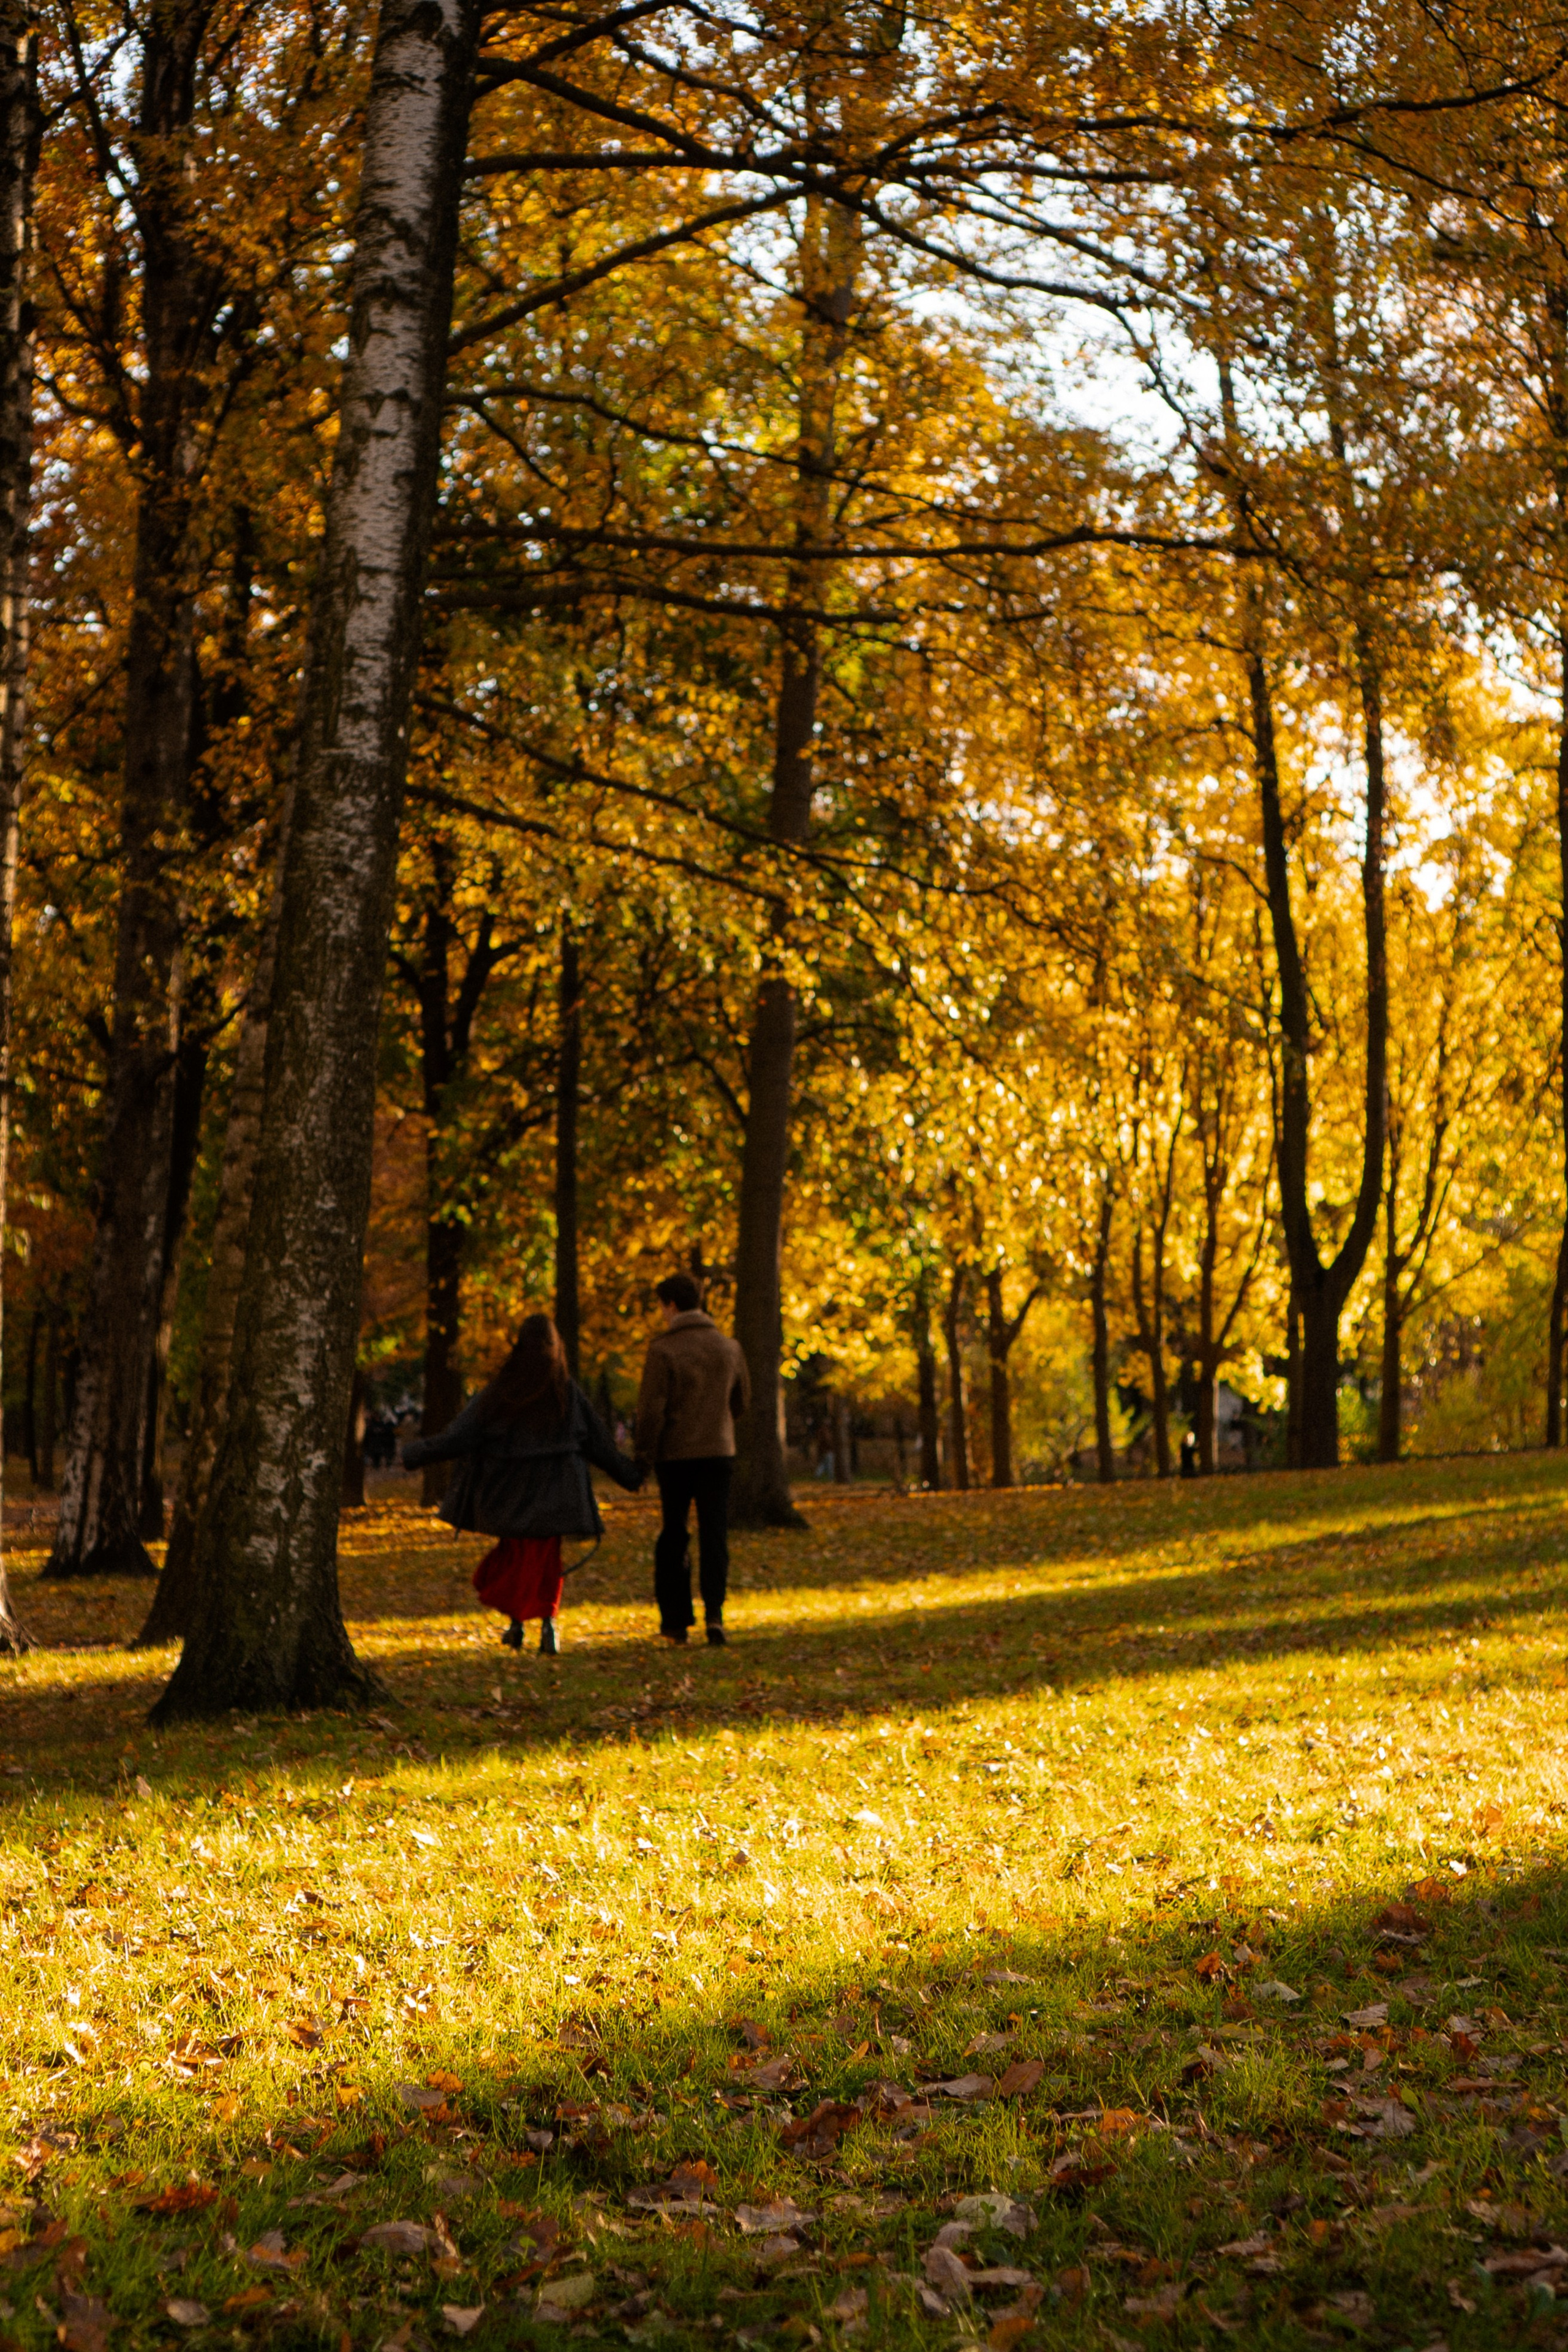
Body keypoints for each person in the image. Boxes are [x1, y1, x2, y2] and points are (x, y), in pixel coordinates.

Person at [402, 1313, 641, 1654]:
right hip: (558, 1491)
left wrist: (416, 1454)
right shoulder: (565, 1391)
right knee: (546, 1563)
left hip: (509, 1493)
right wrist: (630, 1477)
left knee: (514, 1558)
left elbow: (462, 1435)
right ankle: (548, 1626)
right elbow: (599, 1444)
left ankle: (517, 1625)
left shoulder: (504, 1389)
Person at [635, 1273, 750, 1645]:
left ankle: (676, 1620)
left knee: (675, 1533)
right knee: (714, 1533)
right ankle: (715, 1612)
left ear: (671, 1305)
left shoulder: (663, 1350)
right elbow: (742, 1401)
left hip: (676, 1456)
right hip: (719, 1452)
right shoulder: (729, 1348)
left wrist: (644, 1454)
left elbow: (651, 1411)